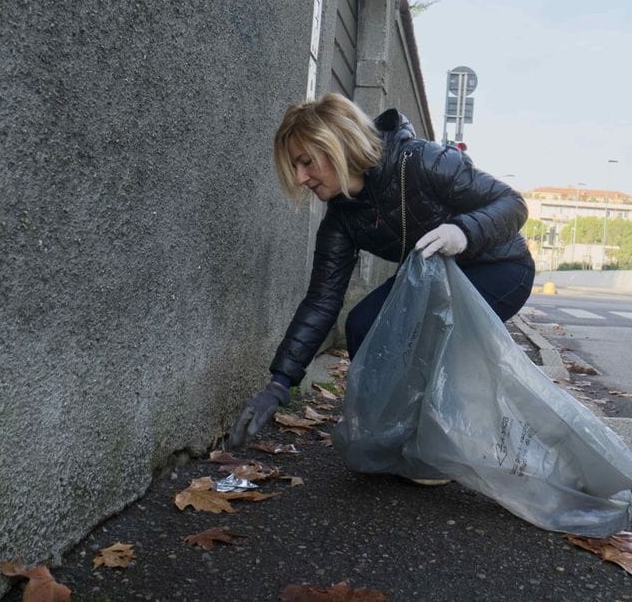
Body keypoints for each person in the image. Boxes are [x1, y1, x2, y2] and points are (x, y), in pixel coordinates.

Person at [228, 93, 534, 447]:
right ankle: (387, 436)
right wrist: (279, 384)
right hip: (435, 279)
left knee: (432, 333)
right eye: (295, 168)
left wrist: (462, 232)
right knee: (363, 324)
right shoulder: (342, 219)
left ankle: (456, 438)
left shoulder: (421, 161)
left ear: (339, 144)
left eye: (306, 162)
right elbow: (322, 300)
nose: (300, 178)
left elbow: (512, 203)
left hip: (499, 267)